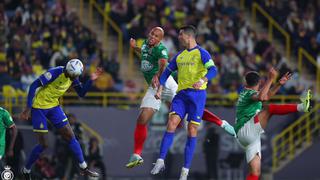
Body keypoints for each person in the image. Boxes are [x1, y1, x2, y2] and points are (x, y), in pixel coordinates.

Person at [126, 26, 236, 169]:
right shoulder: (146, 45)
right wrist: (135, 48)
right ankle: (137, 154)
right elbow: (145, 53)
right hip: (154, 87)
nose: (152, 36)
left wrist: (158, 78)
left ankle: (220, 122)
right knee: (142, 118)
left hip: (167, 85)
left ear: (160, 40)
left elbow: (163, 65)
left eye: (156, 36)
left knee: (191, 109)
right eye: (152, 33)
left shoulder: (162, 50)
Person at [150, 25, 219, 180]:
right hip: (181, 95)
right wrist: (160, 89)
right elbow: (166, 72)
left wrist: (203, 79)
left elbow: (213, 70)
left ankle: (185, 170)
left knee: (192, 131)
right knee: (171, 124)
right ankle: (161, 160)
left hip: (197, 96)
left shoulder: (202, 53)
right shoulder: (179, 56)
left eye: (180, 35)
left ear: (188, 36)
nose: (178, 37)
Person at [20, 59, 102, 179]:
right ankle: (26, 170)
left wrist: (91, 79)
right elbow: (34, 85)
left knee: (71, 136)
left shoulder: (73, 76)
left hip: (54, 107)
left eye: (75, 76)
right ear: (67, 69)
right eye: (71, 75)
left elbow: (82, 93)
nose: (73, 78)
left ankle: (84, 168)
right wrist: (28, 108)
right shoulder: (54, 73)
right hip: (39, 108)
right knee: (44, 144)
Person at [235, 68, 311, 180]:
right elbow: (262, 97)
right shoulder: (249, 93)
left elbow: (265, 96)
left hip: (247, 136)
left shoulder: (246, 92)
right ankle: (302, 107)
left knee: (255, 172)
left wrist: (278, 84)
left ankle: (302, 107)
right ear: (259, 82)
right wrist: (270, 79)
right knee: (269, 109)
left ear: (246, 82)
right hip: (246, 129)